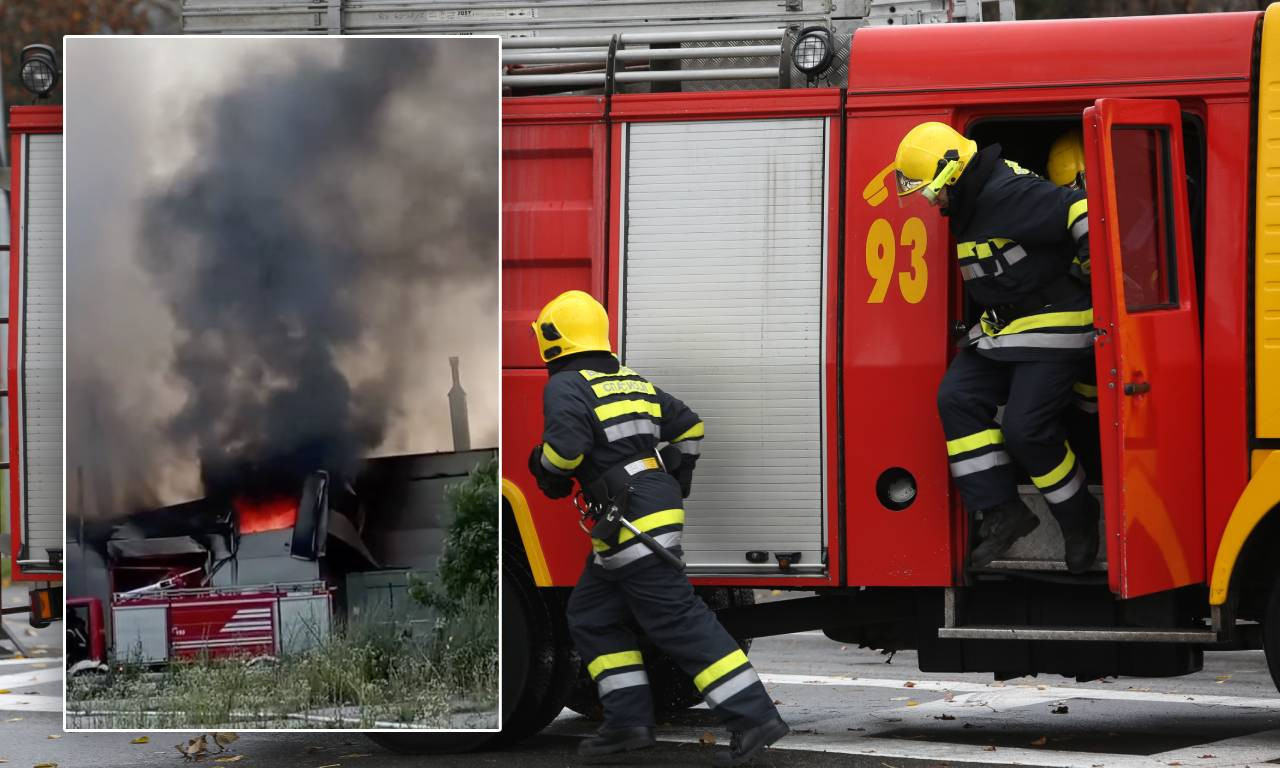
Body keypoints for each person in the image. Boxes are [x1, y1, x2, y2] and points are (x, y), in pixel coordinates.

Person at [527, 289, 788, 765]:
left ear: (552, 338)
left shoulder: (565, 385)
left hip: (630, 515)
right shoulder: (629, 379)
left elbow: (564, 452)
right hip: (644, 508)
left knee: (676, 618)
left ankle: (754, 716)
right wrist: (679, 477)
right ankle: (627, 722)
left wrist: (543, 468)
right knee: (591, 615)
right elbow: (690, 426)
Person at [893, 122, 1100, 574]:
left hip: (1053, 323)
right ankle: (1003, 511)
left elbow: (1082, 207)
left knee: (1026, 430)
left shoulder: (1006, 193)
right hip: (1005, 327)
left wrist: (1096, 268)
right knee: (957, 397)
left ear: (951, 174)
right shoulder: (975, 194)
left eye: (931, 191)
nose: (930, 201)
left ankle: (1079, 518)